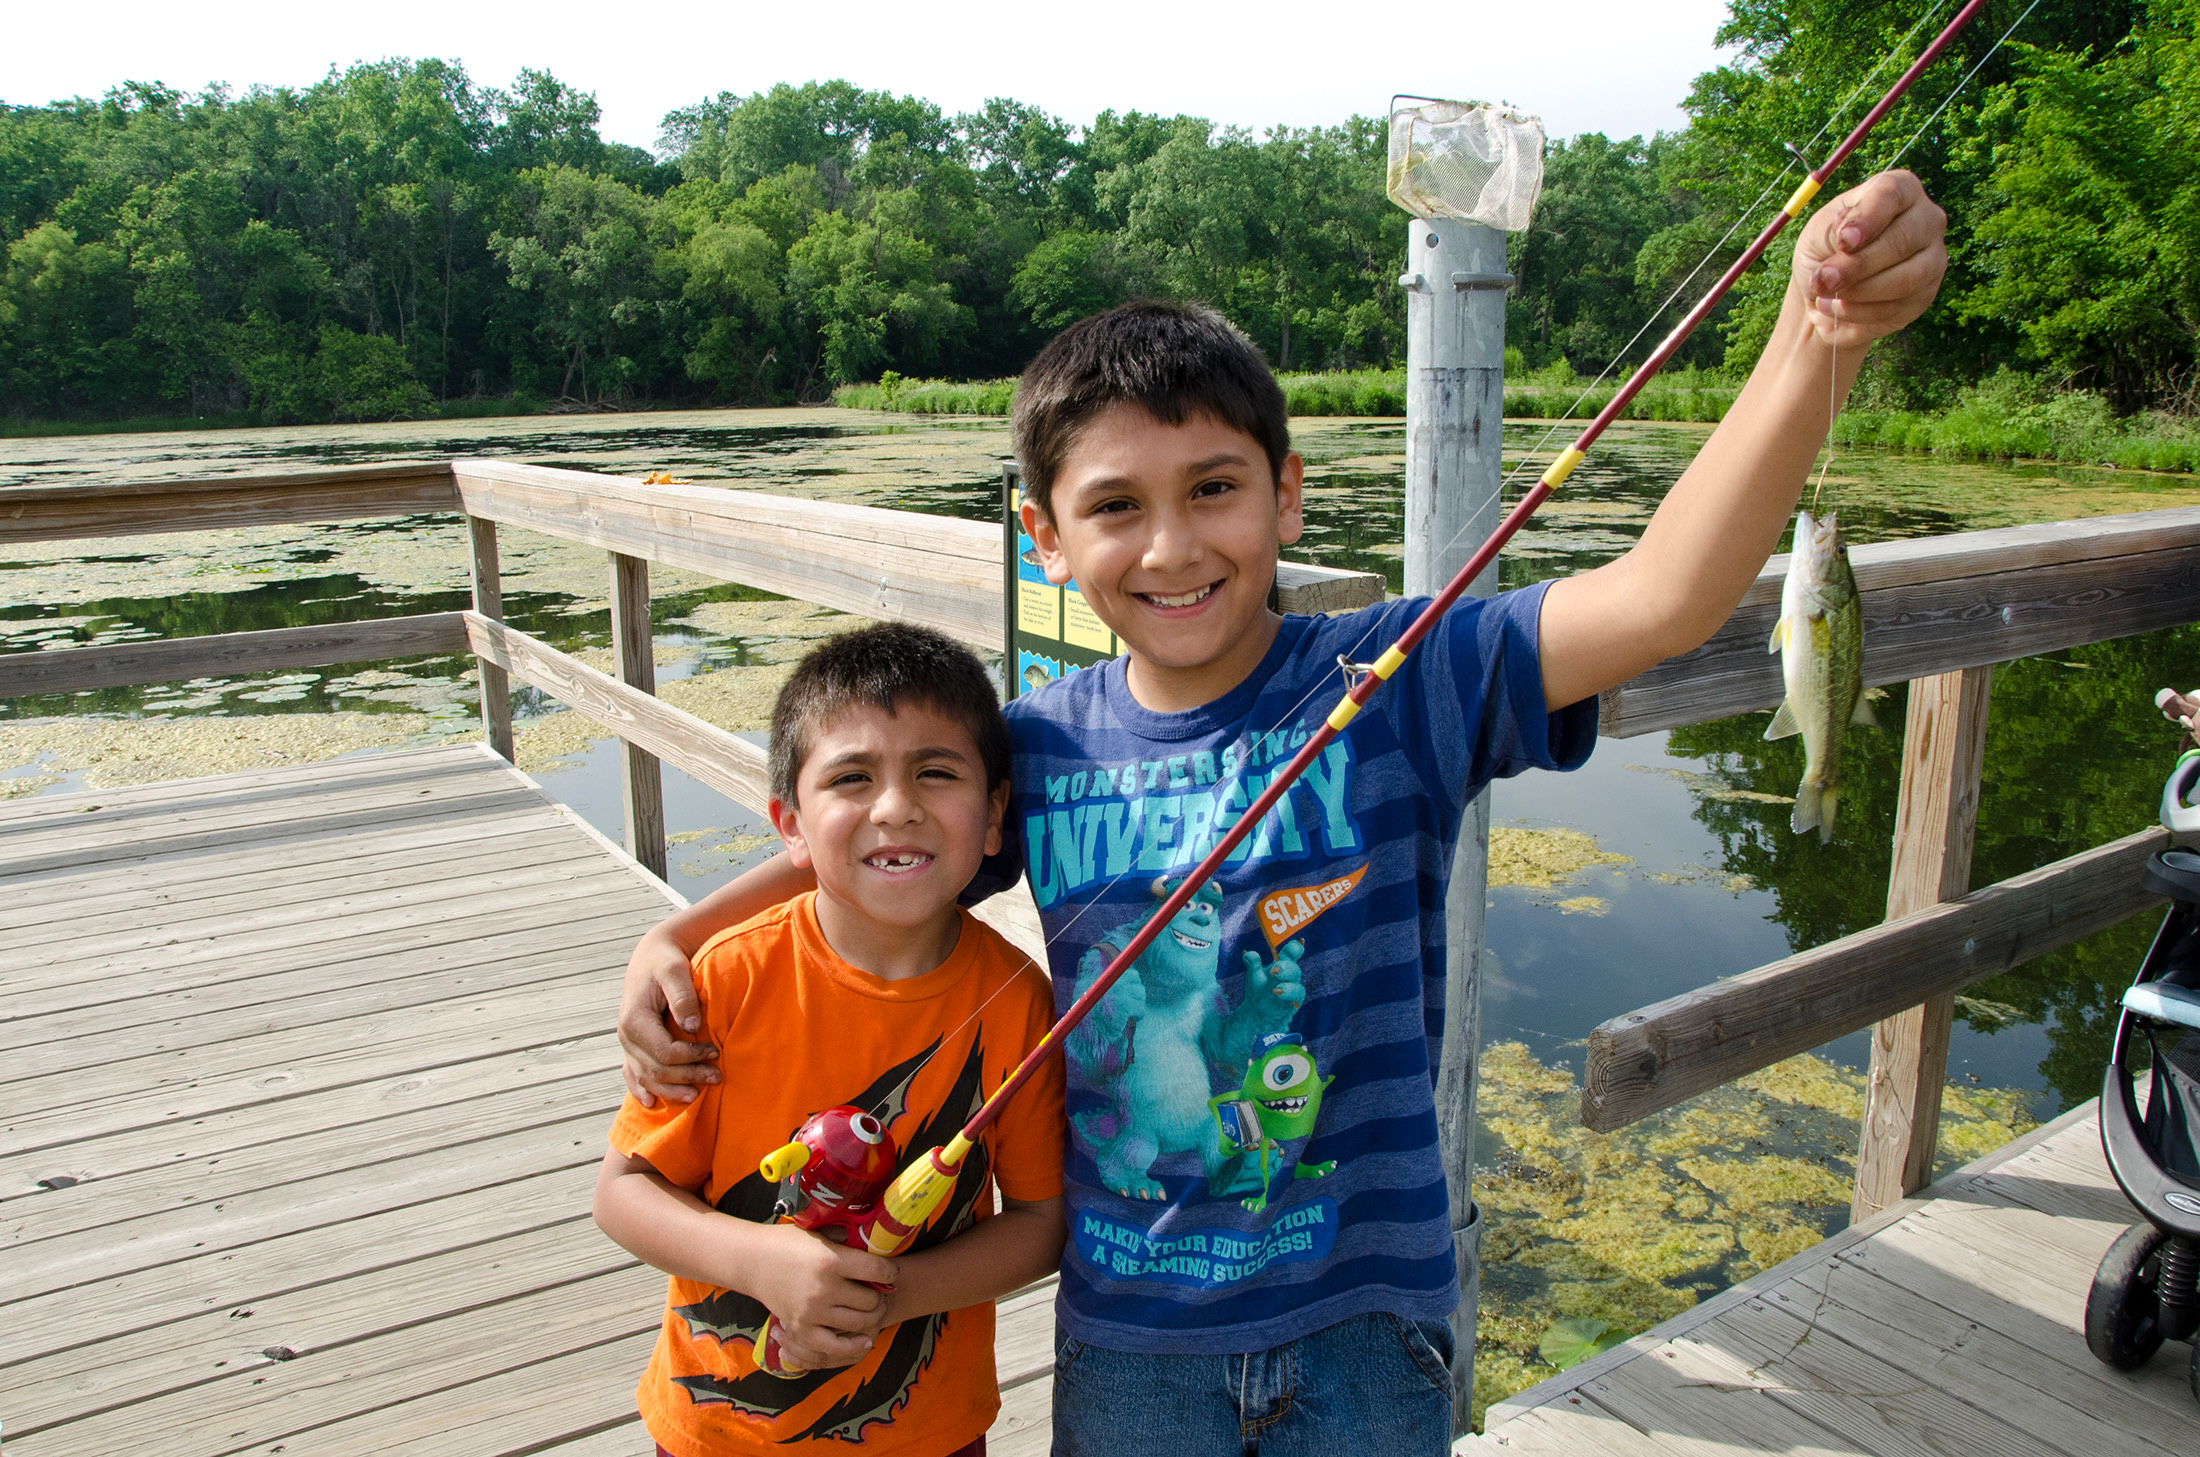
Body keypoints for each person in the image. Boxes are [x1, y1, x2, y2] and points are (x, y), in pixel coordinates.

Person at [614, 171, 1949, 1453]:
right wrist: (673, 942)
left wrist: (1811, 334)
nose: (1175, 546)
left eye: (1214, 488)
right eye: (1115, 508)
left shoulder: (1403, 680)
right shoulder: (1036, 749)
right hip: (1135, 1332)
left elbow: (1666, 595)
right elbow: (885, 851)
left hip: (1365, 1321)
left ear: (1286, 491)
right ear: (1045, 540)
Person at [593, 622, 1066, 1457]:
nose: (897, 806)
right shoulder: (724, 982)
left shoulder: (1017, 1001)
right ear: (792, 826)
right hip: (719, 1432)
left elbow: (1038, 1221)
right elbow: (624, 1193)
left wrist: (892, 1291)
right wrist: (757, 1259)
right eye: (852, 777)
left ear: (995, 816)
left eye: (937, 771)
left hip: (929, 1433)